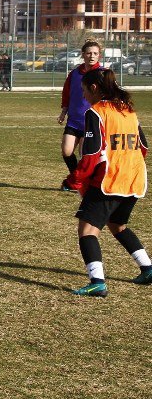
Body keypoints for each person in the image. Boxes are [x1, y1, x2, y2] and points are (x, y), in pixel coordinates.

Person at [65, 68, 152, 296]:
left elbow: (91, 155)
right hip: (135, 179)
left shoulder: (97, 112)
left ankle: (97, 282)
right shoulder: (128, 110)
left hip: (110, 180)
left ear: (94, 88)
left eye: (84, 91)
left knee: (87, 231)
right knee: (118, 226)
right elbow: (143, 147)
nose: (84, 96)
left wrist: (74, 179)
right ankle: (148, 268)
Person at [58, 40, 102, 191]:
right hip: (74, 121)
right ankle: (76, 178)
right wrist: (63, 111)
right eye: (89, 53)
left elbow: (109, 95)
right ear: (83, 55)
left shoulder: (102, 74)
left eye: (95, 53)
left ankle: (78, 182)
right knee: (66, 151)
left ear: (99, 55)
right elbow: (67, 93)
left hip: (91, 122)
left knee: (85, 157)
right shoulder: (75, 73)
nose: (92, 56)